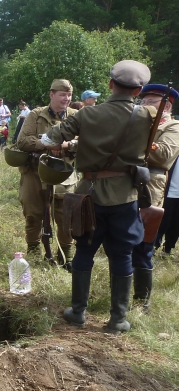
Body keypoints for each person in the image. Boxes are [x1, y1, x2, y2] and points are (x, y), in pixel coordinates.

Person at [43, 60, 156, 334]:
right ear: (138, 89)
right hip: (125, 197)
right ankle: (118, 320)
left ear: (110, 85)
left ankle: (78, 312)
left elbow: (48, 140)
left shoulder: (86, 114)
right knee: (122, 254)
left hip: (88, 195)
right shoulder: (147, 115)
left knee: (84, 251)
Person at [16, 79, 79, 267]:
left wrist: (66, 145)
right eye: (62, 94)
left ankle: (65, 254)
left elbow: (86, 141)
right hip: (35, 172)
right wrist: (47, 144)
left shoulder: (77, 115)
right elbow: (23, 141)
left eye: (69, 95)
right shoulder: (36, 115)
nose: (66, 99)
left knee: (65, 215)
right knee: (33, 213)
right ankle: (34, 250)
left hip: (64, 174)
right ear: (52, 95)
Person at [131, 84, 179, 309]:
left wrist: (139, 137)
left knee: (144, 240)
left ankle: (142, 302)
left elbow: (163, 155)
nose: (144, 106)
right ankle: (120, 296)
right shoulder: (137, 122)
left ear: (166, 106)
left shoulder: (173, 126)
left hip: (151, 186)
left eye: (150, 102)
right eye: (143, 102)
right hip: (125, 183)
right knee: (123, 239)